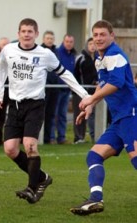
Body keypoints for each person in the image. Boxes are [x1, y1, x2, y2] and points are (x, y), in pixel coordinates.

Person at [0, 18, 89, 204]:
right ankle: (42, 177)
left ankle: (31, 188)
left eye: (30, 31)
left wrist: (84, 94)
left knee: (30, 145)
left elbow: (65, 74)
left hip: (35, 105)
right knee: (10, 149)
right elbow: (0, 69)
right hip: (14, 105)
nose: (27, 34)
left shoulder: (45, 54)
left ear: (36, 34)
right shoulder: (8, 50)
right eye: (24, 31)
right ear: (18, 33)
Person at [70, 20, 137, 215]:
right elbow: (103, 84)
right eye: (95, 35)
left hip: (131, 114)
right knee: (94, 155)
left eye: (102, 34)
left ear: (112, 36)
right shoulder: (100, 58)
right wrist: (91, 105)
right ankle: (95, 200)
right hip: (119, 118)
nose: (98, 38)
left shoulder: (114, 54)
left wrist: (91, 97)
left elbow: (115, 84)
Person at [72, 37, 98, 144]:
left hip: (93, 92)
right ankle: (79, 137)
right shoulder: (81, 58)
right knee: (79, 113)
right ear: (87, 45)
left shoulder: (97, 58)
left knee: (91, 115)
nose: (92, 46)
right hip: (80, 91)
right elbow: (77, 75)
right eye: (90, 44)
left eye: (94, 44)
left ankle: (93, 136)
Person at [54, 34, 77, 144]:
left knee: (63, 114)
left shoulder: (72, 55)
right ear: (63, 42)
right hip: (57, 88)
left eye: (71, 42)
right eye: (67, 41)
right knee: (54, 114)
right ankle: (51, 137)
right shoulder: (57, 53)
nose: (69, 44)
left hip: (66, 89)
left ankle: (61, 137)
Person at [41, 30, 59, 144]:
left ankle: (48, 138)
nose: (49, 40)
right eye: (47, 38)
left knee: (51, 114)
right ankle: (39, 137)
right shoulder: (40, 52)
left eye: (51, 38)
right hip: (43, 88)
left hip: (54, 87)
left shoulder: (56, 52)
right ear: (43, 39)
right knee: (40, 113)